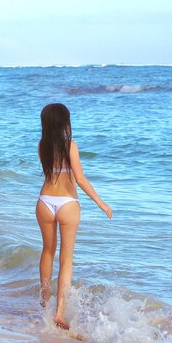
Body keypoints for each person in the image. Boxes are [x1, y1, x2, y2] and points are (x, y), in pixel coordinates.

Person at [36, 103, 112, 330]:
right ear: (64, 122)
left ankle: (44, 302)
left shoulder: (42, 146)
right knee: (66, 258)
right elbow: (79, 179)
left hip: (44, 202)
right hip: (68, 203)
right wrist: (102, 203)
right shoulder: (71, 145)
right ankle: (59, 313)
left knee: (47, 251)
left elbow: (52, 171)